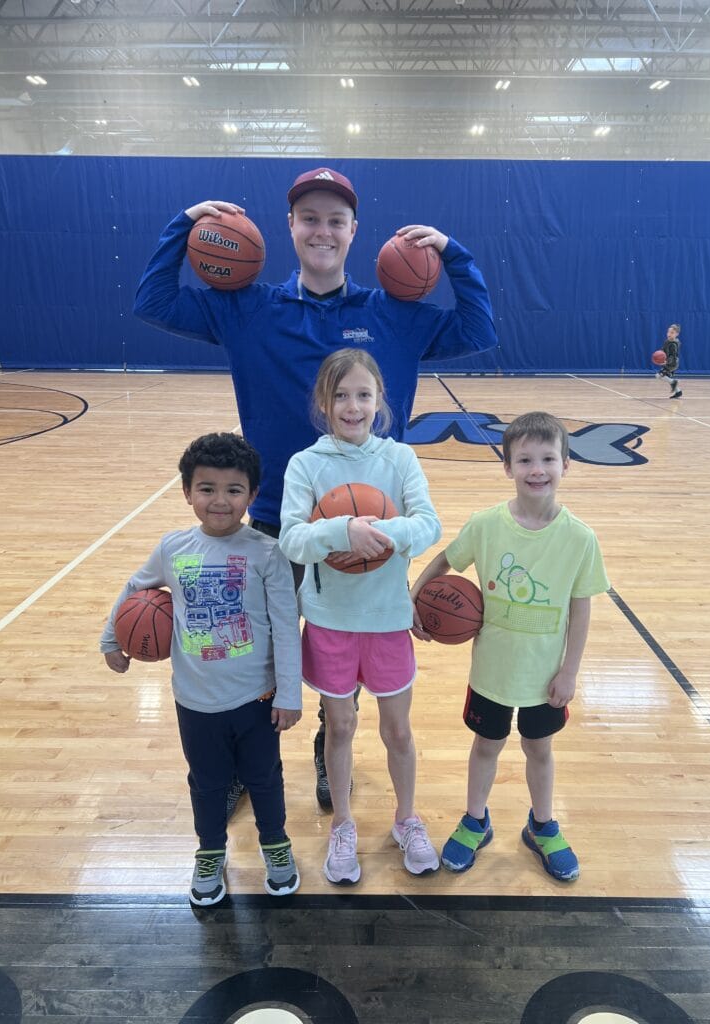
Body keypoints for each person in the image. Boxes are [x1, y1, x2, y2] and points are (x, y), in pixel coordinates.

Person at [133, 165, 497, 812]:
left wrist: (453, 253)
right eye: (310, 218)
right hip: (272, 520)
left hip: (367, 520)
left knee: (342, 647)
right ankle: (251, 760)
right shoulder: (249, 308)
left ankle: (333, 750)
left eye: (335, 219)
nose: (322, 230)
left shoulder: (395, 314)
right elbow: (154, 301)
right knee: (260, 653)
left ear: (355, 231)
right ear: (290, 228)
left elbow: (478, 329)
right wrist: (183, 226)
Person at [99, 433, 302, 906]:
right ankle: (210, 849)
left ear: (253, 496)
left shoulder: (267, 552)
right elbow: (136, 586)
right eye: (206, 488)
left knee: (264, 776)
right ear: (187, 491)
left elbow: (286, 628)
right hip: (194, 699)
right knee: (207, 782)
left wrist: (290, 693)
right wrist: (113, 638)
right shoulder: (173, 548)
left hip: (257, 696)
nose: (219, 500)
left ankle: (275, 843)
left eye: (234, 490)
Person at [410, 412, 609, 882]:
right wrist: (413, 599)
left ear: (566, 464)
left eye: (547, 459)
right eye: (525, 460)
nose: (537, 469)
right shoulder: (486, 524)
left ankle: (542, 825)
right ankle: (475, 819)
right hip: (492, 671)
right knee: (487, 745)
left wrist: (570, 671)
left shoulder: (580, 538)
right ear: (507, 467)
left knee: (539, 750)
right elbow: (444, 559)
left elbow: (581, 610)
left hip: (545, 676)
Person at [278, 349, 442, 884]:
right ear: (324, 403)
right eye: (342, 395)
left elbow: (428, 525)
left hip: (388, 618)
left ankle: (405, 819)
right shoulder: (306, 464)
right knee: (342, 724)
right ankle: (343, 824)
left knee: (398, 730)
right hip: (330, 619)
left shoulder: (399, 460)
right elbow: (292, 539)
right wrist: (341, 531)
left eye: (364, 395)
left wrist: (381, 535)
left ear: (379, 401)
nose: (353, 406)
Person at [656, 323, 682, 399]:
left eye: (672, 333)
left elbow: (673, 357)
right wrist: (659, 355)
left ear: (676, 334)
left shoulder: (673, 345)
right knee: (667, 377)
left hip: (672, 364)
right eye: (668, 332)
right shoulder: (667, 341)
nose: (669, 334)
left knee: (659, 375)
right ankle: (678, 392)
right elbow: (663, 351)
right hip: (669, 363)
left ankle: (674, 382)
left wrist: (666, 361)